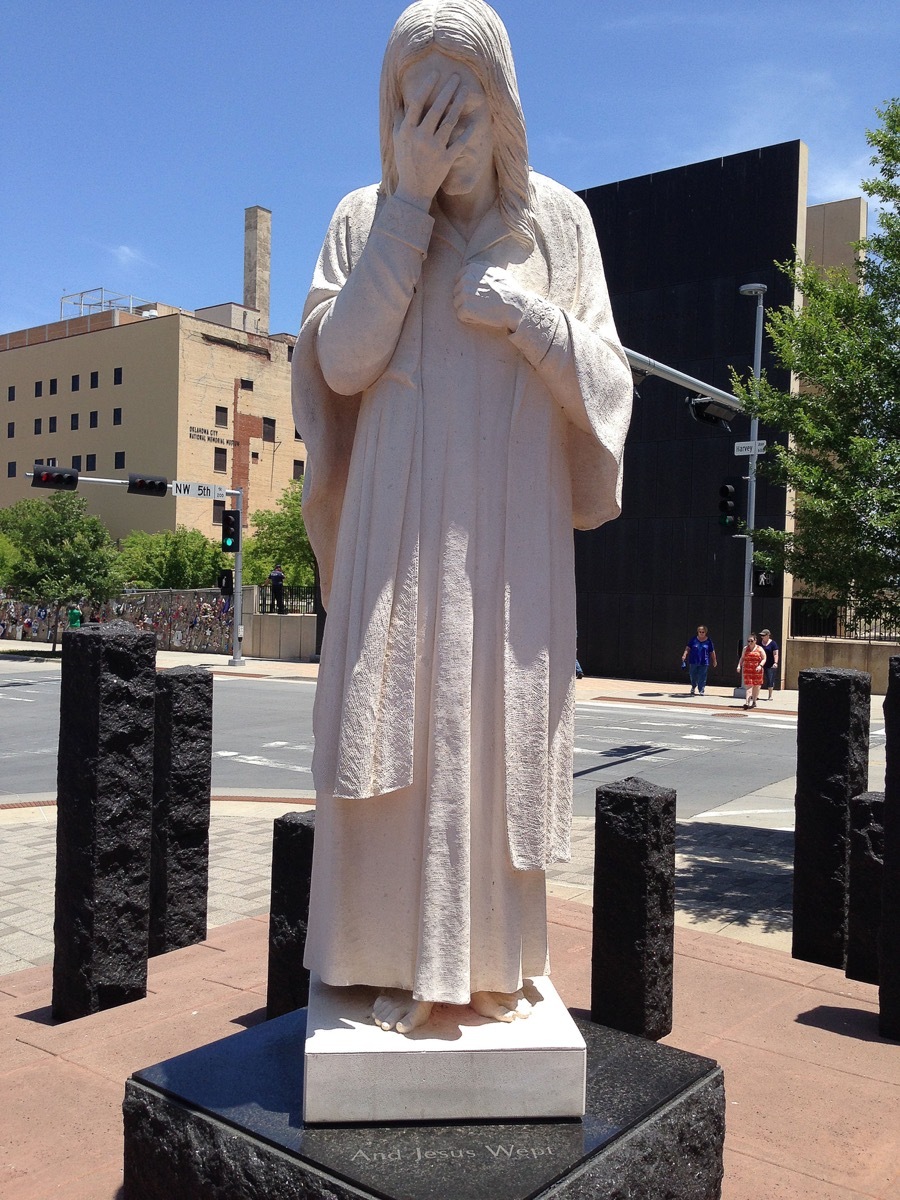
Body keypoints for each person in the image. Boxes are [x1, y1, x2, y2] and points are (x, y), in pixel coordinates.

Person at [293, 0, 632, 1035]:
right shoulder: (364, 215)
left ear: (504, 107)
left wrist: (527, 316)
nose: (441, 137)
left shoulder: (558, 226)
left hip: (512, 551)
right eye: (416, 112)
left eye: (461, 111)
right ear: (391, 120)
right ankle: (377, 959)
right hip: (396, 540)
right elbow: (341, 362)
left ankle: (487, 968)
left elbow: (611, 386)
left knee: (494, 741)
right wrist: (405, 211)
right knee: (391, 730)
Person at [681, 625, 716, 695]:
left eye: (703, 632)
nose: (701, 633)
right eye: (700, 632)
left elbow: (712, 651)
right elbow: (688, 648)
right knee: (692, 675)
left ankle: (701, 689)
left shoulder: (709, 641)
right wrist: (684, 654)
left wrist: (714, 660)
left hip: (704, 661)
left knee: (702, 676)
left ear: (705, 632)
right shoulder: (693, 639)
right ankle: (693, 686)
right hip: (693, 661)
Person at [738, 633, 766, 709]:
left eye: (751, 641)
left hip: (757, 670)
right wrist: (739, 666)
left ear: (755, 641)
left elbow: (764, 658)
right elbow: (742, 658)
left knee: (756, 686)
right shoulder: (745, 648)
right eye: (748, 641)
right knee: (749, 686)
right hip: (747, 670)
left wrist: (760, 666)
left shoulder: (759, 649)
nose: (750, 643)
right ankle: (747, 702)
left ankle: (754, 701)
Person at [759, 628, 779, 700]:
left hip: (770, 664)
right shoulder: (759, 643)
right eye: (761, 635)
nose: (762, 637)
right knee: (758, 679)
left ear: (768, 635)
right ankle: (756, 695)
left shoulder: (773, 643)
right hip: (761, 664)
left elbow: (775, 654)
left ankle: (770, 695)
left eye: (763, 635)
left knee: (770, 679)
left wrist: (775, 662)